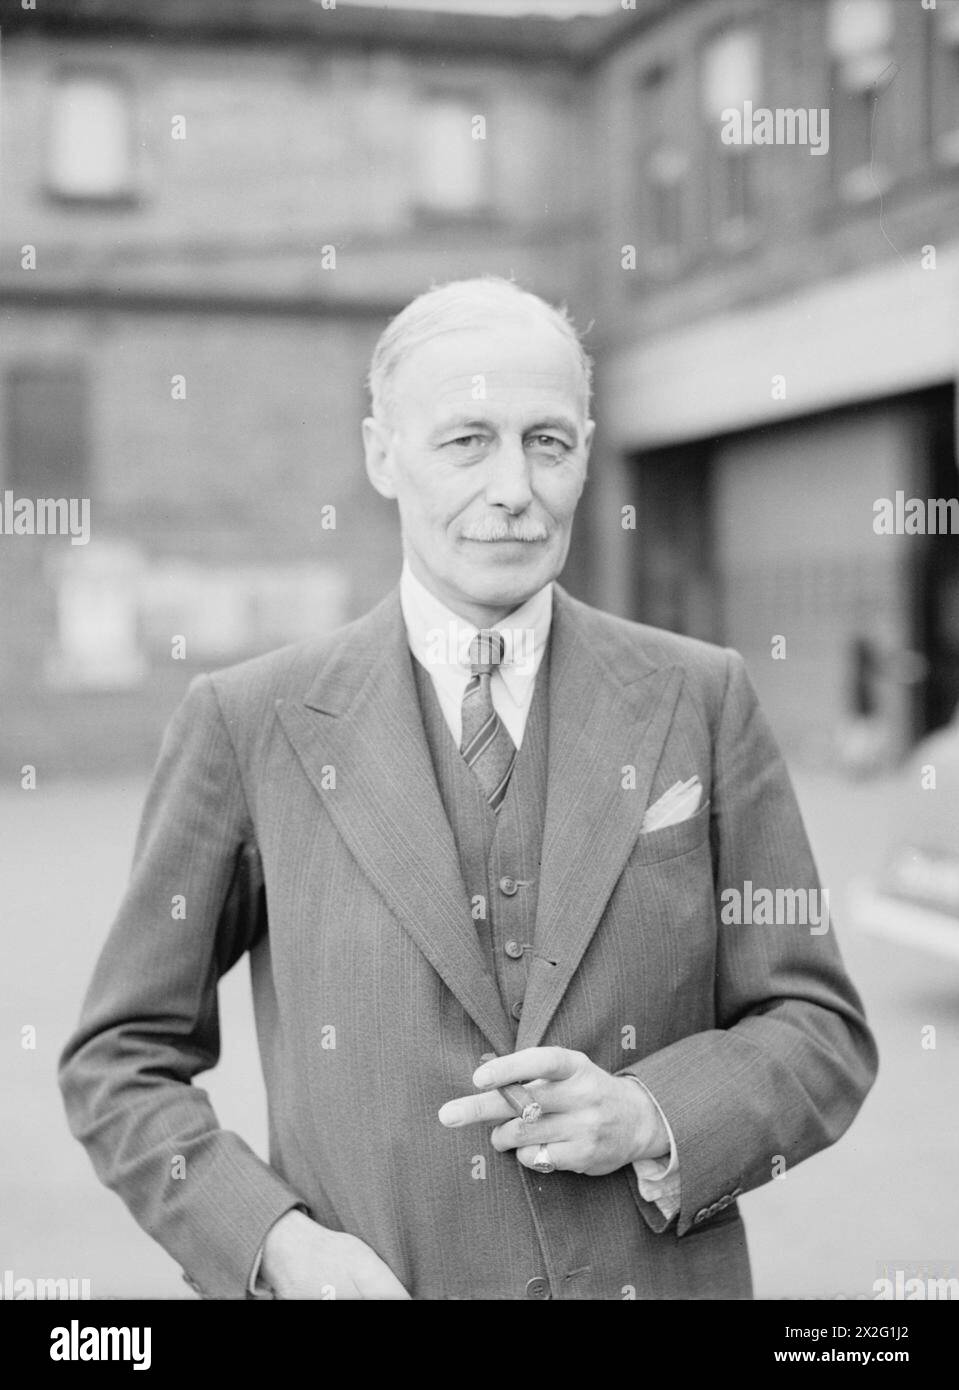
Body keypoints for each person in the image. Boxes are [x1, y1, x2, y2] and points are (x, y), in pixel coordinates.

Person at [59, 277, 878, 1300]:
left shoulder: (699, 698)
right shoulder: (248, 723)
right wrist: (275, 1246)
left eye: (547, 441)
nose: (512, 487)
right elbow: (118, 1060)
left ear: (584, 452)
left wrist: (649, 1112)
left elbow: (818, 1030)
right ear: (379, 455)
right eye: (465, 441)